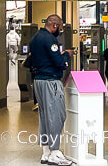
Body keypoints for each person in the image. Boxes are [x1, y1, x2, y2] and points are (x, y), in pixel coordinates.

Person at [28, 14, 73, 166]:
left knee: (45, 115)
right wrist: (67, 54)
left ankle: (46, 151)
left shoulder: (35, 38)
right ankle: (55, 152)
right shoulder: (49, 39)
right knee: (56, 115)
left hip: (39, 80)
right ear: (54, 25)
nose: (59, 31)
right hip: (50, 81)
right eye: (59, 27)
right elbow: (58, 61)